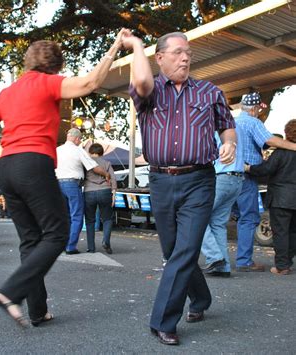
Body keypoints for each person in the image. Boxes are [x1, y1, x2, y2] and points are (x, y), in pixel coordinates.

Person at [0, 29, 125, 327]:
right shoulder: (49, 83)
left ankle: (37, 311)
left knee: (30, 240)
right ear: (56, 66)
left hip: (6, 166)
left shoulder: (8, 92)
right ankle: (10, 292)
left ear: (27, 62)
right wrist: (115, 46)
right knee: (57, 233)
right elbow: (91, 82)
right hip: (34, 163)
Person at [124, 31, 236, 345]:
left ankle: (163, 321)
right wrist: (135, 46)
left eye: (188, 52)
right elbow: (144, 81)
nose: (185, 57)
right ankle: (200, 299)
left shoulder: (209, 91)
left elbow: (227, 124)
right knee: (174, 251)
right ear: (159, 58)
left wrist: (228, 143)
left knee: (185, 250)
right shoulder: (147, 91)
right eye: (177, 52)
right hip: (160, 181)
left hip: (199, 180)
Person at [234, 92, 296, 272]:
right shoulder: (253, 122)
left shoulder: (232, 123)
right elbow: (268, 140)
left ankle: (218, 258)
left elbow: (268, 168)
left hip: (228, 176)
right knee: (250, 218)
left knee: (219, 219)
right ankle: (246, 261)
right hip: (247, 179)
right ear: (254, 109)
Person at [246, 119, 296, 275]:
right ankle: (287, 261)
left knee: (280, 232)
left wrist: (248, 168)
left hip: (280, 198)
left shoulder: (281, 152)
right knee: (294, 232)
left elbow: (266, 169)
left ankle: (282, 266)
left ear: (287, 133)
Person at [56, 129, 110, 254]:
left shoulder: (57, 150)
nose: (80, 141)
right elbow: (93, 167)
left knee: (66, 216)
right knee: (77, 215)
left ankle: (63, 244)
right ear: (76, 139)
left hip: (57, 184)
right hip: (72, 185)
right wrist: (106, 174)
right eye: (79, 139)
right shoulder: (78, 150)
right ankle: (70, 246)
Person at [200, 128, 245, 277]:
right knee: (218, 223)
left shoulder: (215, 127)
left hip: (220, 176)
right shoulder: (239, 128)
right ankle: (222, 267)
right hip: (237, 178)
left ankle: (215, 257)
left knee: (197, 219)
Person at [83, 143, 117, 254]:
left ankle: (91, 247)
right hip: (104, 191)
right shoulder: (106, 163)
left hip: (89, 192)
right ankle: (106, 241)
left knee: (90, 220)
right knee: (107, 219)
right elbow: (112, 178)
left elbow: (81, 178)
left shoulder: (86, 162)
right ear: (101, 153)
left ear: (90, 152)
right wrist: (114, 193)